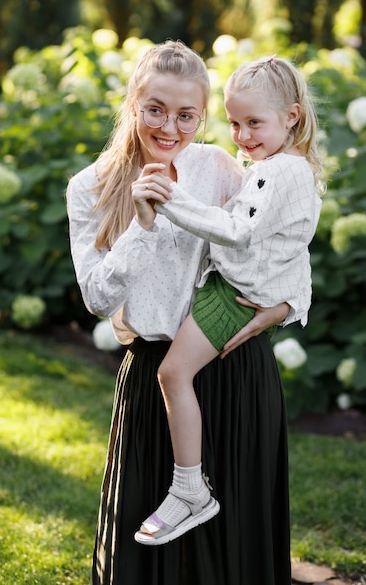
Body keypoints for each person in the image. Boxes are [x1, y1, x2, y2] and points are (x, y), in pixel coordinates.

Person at [66, 40, 292, 585]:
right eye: (156, 109)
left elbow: (280, 249)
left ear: (204, 116)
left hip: (235, 371)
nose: (170, 127)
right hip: (155, 381)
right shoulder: (90, 188)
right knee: (150, 557)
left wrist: (281, 309)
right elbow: (97, 299)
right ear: (133, 103)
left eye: (187, 114)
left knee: (234, 544)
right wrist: (140, 228)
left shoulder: (219, 168)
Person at [133, 55, 324, 546]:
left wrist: (172, 199)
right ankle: (190, 488)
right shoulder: (287, 166)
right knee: (175, 375)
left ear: (293, 116)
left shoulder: (279, 172)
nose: (241, 136)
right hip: (242, 290)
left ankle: (189, 489)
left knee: (172, 373)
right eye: (235, 122)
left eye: (254, 123)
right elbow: (294, 250)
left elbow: (238, 233)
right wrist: (288, 302)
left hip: (232, 295)